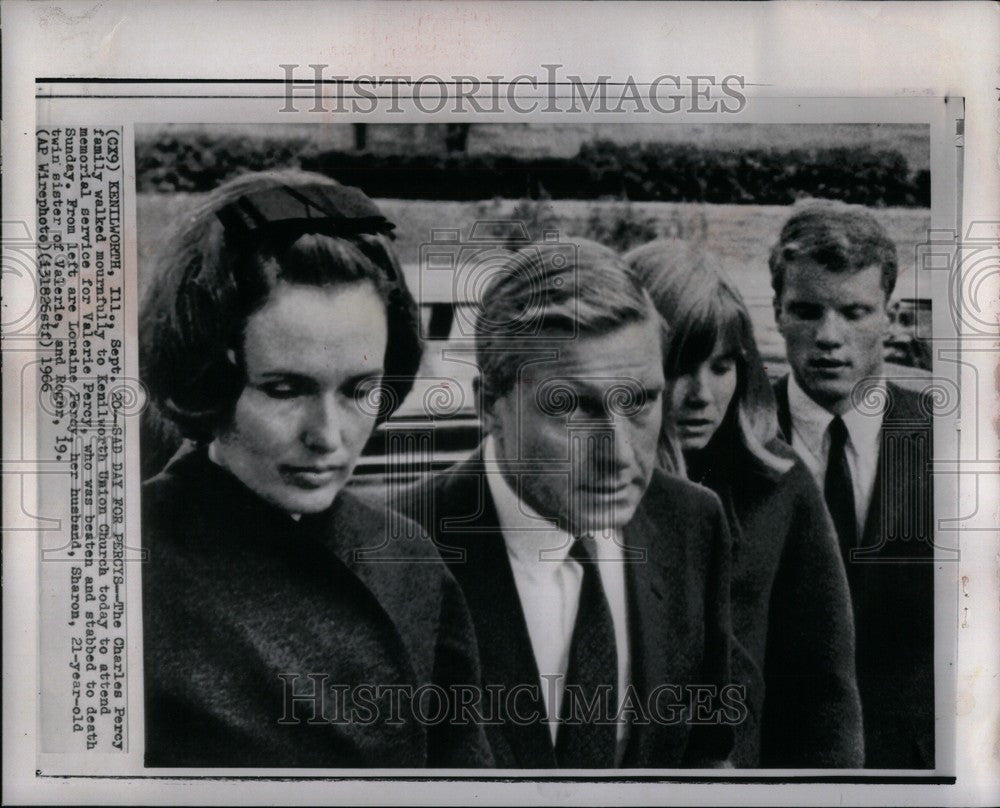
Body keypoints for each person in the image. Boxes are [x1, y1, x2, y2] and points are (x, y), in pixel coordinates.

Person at [138, 169, 493, 768]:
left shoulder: (406, 560)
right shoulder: (125, 566)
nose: (328, 436)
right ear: (208, 384)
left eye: (361, 390)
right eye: (285, 389)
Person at [396, 241, 736, 768]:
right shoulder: (393, 551)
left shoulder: (693, 523)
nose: (618, 455)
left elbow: (706, 759)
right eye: (573, 407)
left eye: (641, 400)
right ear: (489, 404)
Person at [626, 238, 863, 768]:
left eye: (722, 365)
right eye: (679, 365)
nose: (701, 394)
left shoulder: (778, 484)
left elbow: (824, 696)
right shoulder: (593, 490)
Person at [769, 200, 935, 768]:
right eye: (807, 311)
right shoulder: (731, 437)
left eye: (855, 312)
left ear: (890, 315)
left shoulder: (956, 445)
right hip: (772, 766)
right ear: (777, 312)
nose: (828, 337)